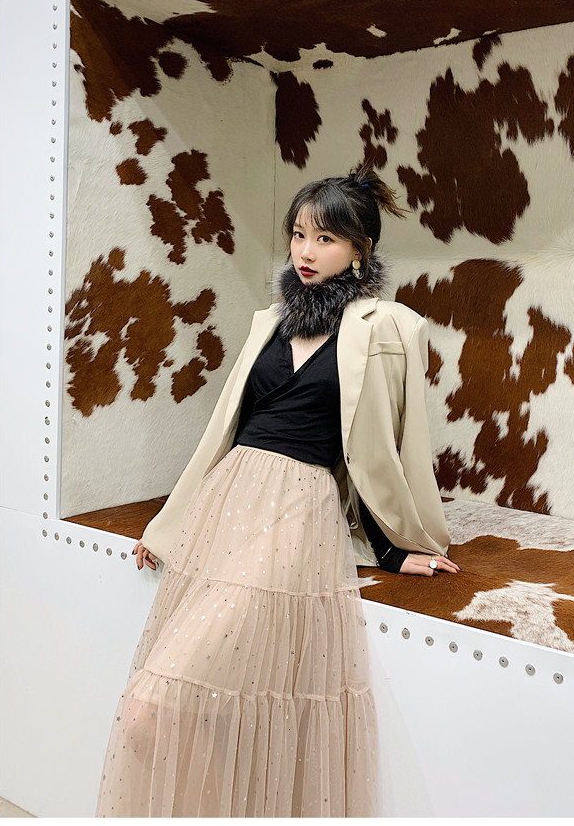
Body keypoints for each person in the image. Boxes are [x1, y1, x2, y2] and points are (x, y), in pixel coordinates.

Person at [95, 164, 460, 817]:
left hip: (297, 511)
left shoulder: (388, 328)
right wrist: (169, 526)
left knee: (159, 706)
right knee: (167, 712)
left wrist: (394, 547)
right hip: (227, 502)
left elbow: (381, 447)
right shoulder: (269, 321)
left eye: (325, 238)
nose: (305, 251)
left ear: (360, 250)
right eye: (298, 234)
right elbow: (222, 432)